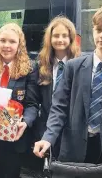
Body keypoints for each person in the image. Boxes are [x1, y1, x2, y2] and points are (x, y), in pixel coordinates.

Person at [33, 3, 102, 173]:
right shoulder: (74, 67)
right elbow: (59, 107)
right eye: (98, 30)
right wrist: (48, 138)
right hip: (74, 148)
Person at [0, 23, 39, 178]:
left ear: (20, 45)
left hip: (13, 137)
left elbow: (32, 105)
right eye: (3, 41)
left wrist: (25, 122)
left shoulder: (30, 68)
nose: (6, 46)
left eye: (12, 42)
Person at [35, 16, 81, 158]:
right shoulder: (41, 65)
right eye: (55, 36)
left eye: (64, 36)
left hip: (72, 128)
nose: (60, 40)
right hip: (47, 126)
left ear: (71, 38)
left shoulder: (80, 64)